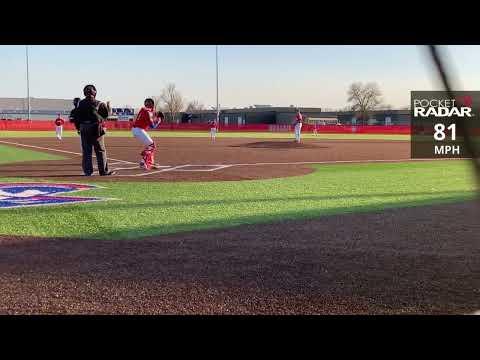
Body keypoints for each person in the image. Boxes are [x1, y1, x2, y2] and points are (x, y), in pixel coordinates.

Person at [74, 85, 115, 176]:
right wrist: (109, 107)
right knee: (100, 150)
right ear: (95, 93)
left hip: (84, 128)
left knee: (86, 151)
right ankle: (103, 171)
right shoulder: (99, 103)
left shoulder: (80, 104)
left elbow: (76, 118)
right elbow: (106, 116)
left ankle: (88, 171)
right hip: (96, 128)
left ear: (84, 93)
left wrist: (78, 128)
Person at [131, 98, 162, 170]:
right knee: (151, 145)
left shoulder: (143, 109)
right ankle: (143, 162)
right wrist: (159, 120)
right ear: (152, 105)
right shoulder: (148, 112)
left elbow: (151, 113)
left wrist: (156, 115)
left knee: (150, 145)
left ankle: (150, 162)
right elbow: (152, 126)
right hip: (138, 130)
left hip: (137, 129)